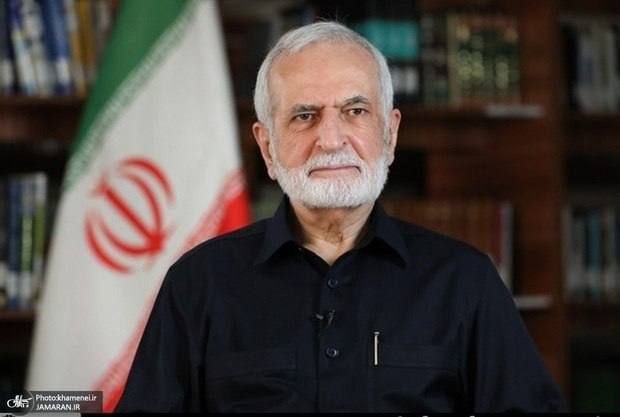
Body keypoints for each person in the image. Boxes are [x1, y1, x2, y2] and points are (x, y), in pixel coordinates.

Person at [115, 21, 566, 413]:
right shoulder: (198, 284)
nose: (331, 139)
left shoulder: (465, 281)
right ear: (267, 147)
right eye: (304, 116)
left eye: (355, 111)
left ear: (390, 134)